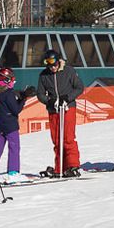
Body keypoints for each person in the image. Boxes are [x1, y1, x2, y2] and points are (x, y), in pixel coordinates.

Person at [37, 48, 85, 177]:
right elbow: (40, 94)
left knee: (68, 138)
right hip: (54, 109)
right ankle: (60, 167)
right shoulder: (44, 75)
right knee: (57, 139)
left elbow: (79, 87)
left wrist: (67, 97)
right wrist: (49, 101)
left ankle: (73, 165)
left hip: (68, 107)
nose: (53, 68)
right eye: (50, 66)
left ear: (59, 62)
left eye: (54, 65)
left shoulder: (68, 71)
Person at [0, 67, 25, 179]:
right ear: (7, 80)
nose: (13, 82)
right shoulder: (8, 94)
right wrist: (23, 99)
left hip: (1, 124)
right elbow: (15, 109)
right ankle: (13, 171)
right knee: (14, 147)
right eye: (12, 80)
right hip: (11, 125)